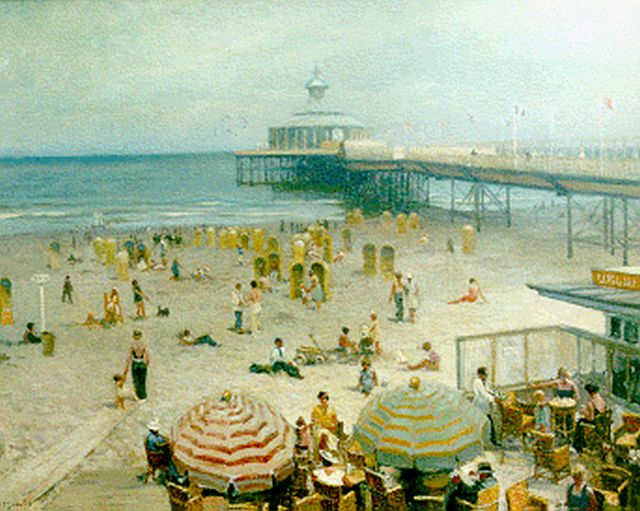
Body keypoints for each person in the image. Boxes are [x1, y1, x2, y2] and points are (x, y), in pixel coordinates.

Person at [573, 383, 606, 454]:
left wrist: (584, 412)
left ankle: (578, 446)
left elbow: (591, 418)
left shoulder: (591, 402)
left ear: (590, 392)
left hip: (595, 423)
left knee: (579, 423)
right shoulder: (601, 400)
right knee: (581, 420)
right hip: (601, 422)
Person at [473, 367, 499, 446]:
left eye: (487, 375)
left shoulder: (484, 382)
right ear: (480, 374)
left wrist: (495, 394)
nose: (486, 377)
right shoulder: (477, 382)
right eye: (485, 375)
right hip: (479, 405)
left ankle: (493, 439)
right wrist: (492, 398)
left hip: (484, 405)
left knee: (490, 422)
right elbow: (482, 393)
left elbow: (488, 390)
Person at [123, 330, 150, 401]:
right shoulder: (143, 344)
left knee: (136, 380)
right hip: (141, 362)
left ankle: (138, 395)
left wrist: (126, 368)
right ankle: (143, 396)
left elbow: (129, 356)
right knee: (142, 380)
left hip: (135, 363)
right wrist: (146, 365)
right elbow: (147, 356)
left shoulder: (132, 345)